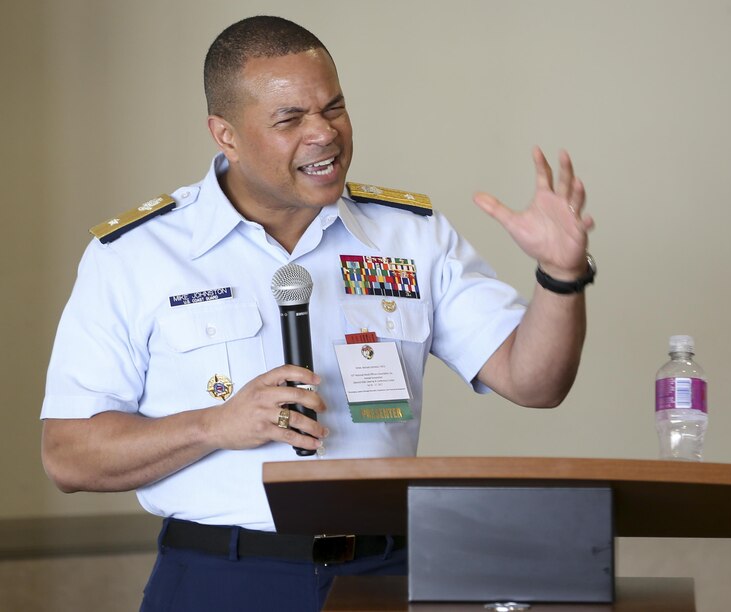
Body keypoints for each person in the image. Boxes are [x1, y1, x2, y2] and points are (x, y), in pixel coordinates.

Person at [39, 15, 595, 612]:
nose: (324, 134)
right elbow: (68, 454)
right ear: (224, 134)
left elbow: (535, 382)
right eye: (290, 119)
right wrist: (213, 425)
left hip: (386, 573)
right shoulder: (136, 255)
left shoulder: (409, 236)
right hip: (219, 577)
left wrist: (561, 276)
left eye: (333, 107)